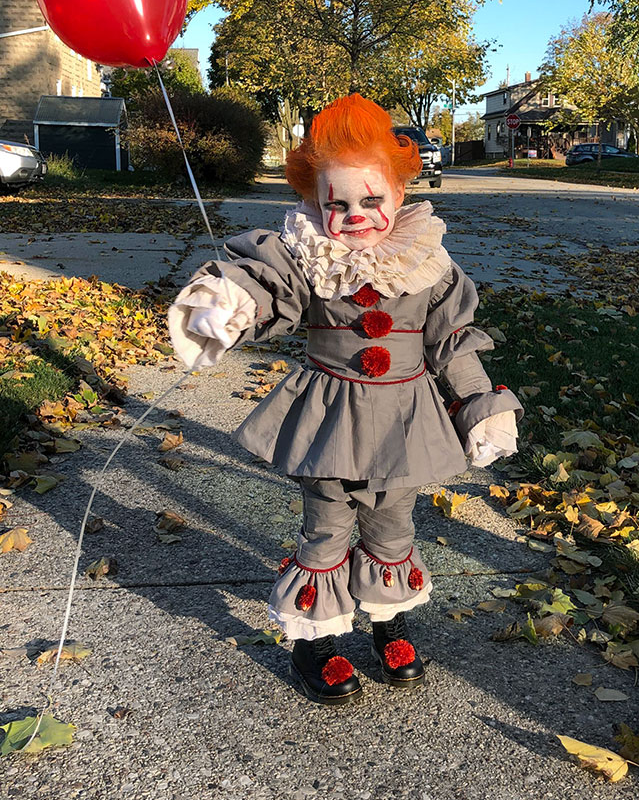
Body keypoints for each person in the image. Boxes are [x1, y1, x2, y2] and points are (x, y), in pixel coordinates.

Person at [168, 94, 523, 705]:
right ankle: (316, 641)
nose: (354, 215)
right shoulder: (308, 258)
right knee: (326, 530)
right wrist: (231, 301)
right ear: (315, 201)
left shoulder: (428, 264)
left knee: (393, 526)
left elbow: (453, 343)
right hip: (328, 420)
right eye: (336, 203)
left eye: (370, 200)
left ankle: (389, 621)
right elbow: (267, 282)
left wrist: (478, 407)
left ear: (399, 194)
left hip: (405, 423)